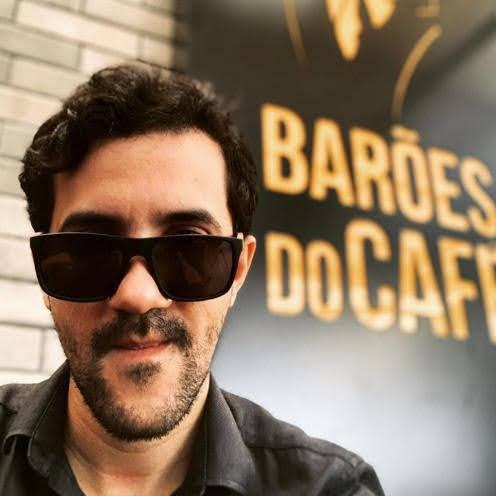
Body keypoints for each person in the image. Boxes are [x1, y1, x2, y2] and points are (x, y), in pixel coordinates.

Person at [0, 63, 384, 496]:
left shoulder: (329, 489)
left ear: (238, 271)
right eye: (89, 250)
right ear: (45, 270)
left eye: (189, 248)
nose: (139, 294)